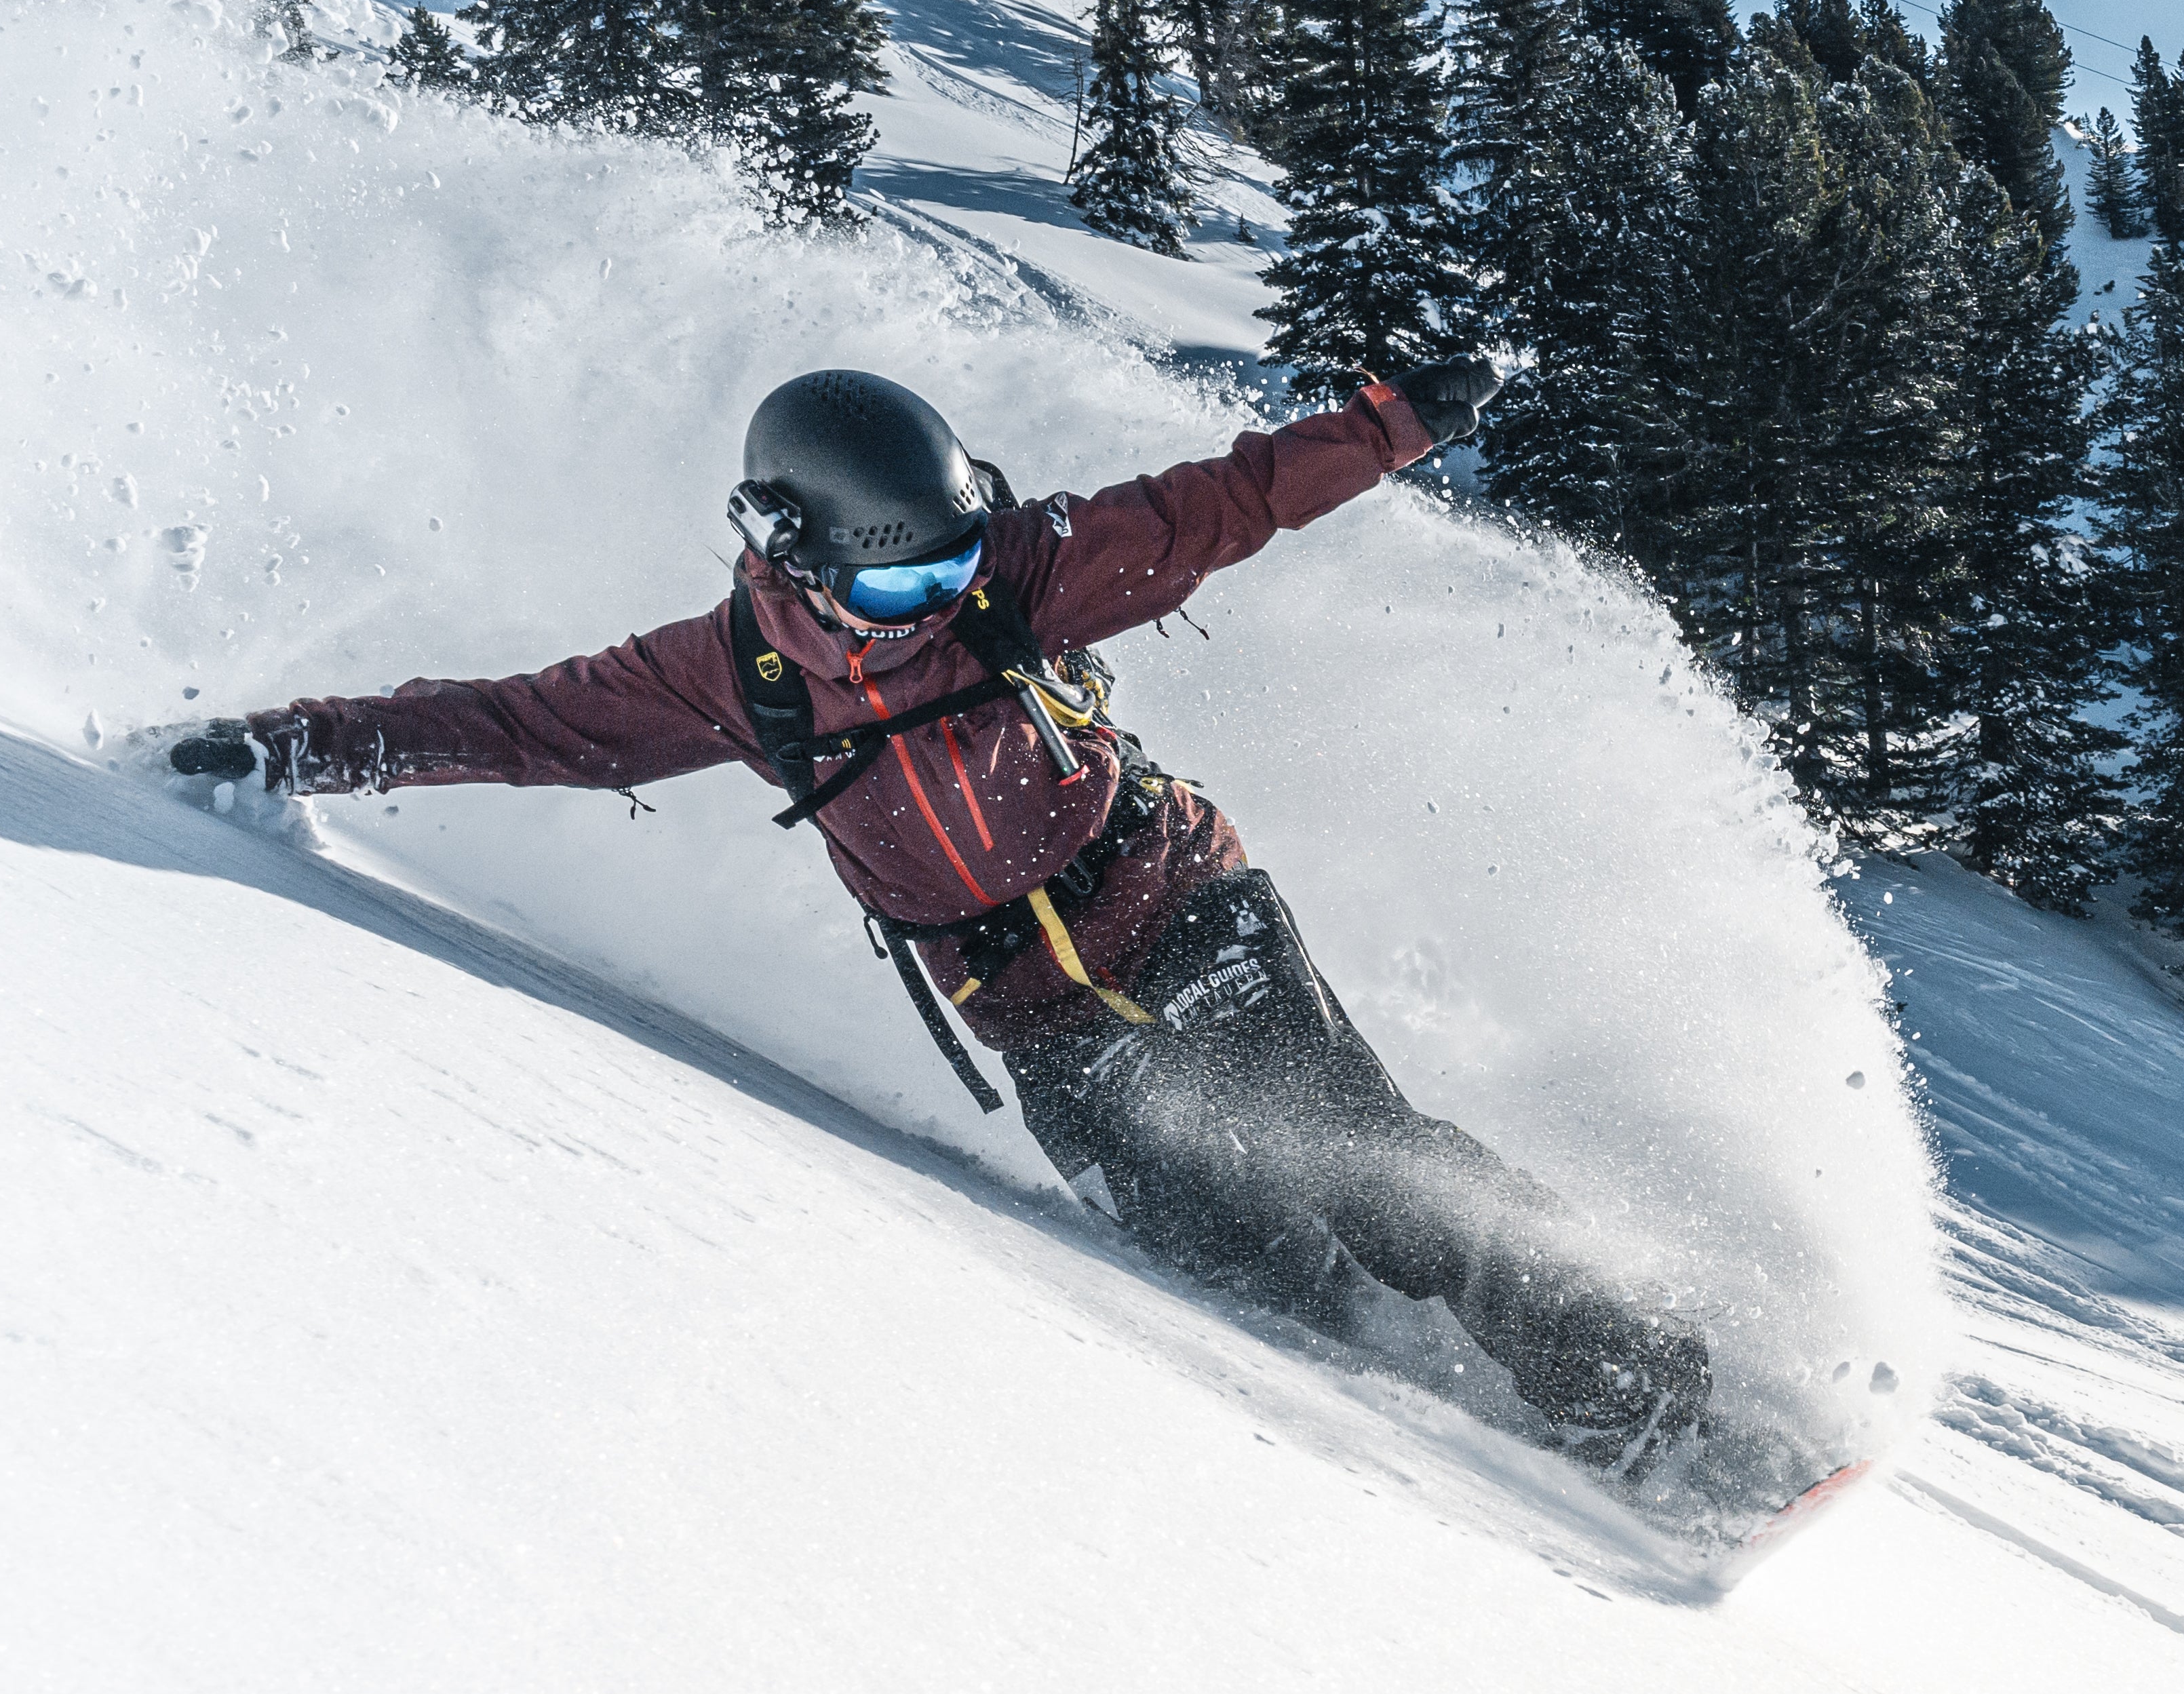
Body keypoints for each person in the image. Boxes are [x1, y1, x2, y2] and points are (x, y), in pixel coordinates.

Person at [163, 359, 1718, 1471]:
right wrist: (302, 744)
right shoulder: (733, 677)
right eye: (904, 594)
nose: (943, 610)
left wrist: (1386, 427)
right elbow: (518, 723)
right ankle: (1386, 1370)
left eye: (959, 570)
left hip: (1175, 900)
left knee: (1368, 1163)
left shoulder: (1021, 573)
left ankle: (1632, 1378)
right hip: (1030, 1012)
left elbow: (1225, 502)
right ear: (790, 552)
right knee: (1221, 1249)